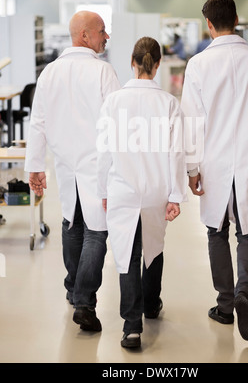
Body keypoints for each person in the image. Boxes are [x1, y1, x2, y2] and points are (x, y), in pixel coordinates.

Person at [181, 0, 248, 341]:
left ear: (208, 24)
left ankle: (225, 306)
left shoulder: (198, 65)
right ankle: (244, 296)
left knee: (216, 232)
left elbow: (192, 122)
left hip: (215, 161)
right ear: (236, 19)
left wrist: (192, 169)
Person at [24, 11, 120, 332]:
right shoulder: (103, 72)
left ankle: (72, 288)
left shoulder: (49, 73)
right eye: (102, 31)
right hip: (97, 165)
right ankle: (84, 301)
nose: (106, 36)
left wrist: (36, 167)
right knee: (97, 232)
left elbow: (37, 122)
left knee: (72, 223)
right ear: (84, 36)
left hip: (65, 164)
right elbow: (115, 126)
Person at [96, 36, 187, 349]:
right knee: (154, 246)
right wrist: (176, 194)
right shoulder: (169, 104)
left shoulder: (113, 102)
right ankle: (151, 304)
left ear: (132, 64)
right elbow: (177, 154)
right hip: (156, 190)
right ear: (158, 64)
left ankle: (131, 327)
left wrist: (103, 189)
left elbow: (104, 153)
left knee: (127, 255)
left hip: (122, 188)